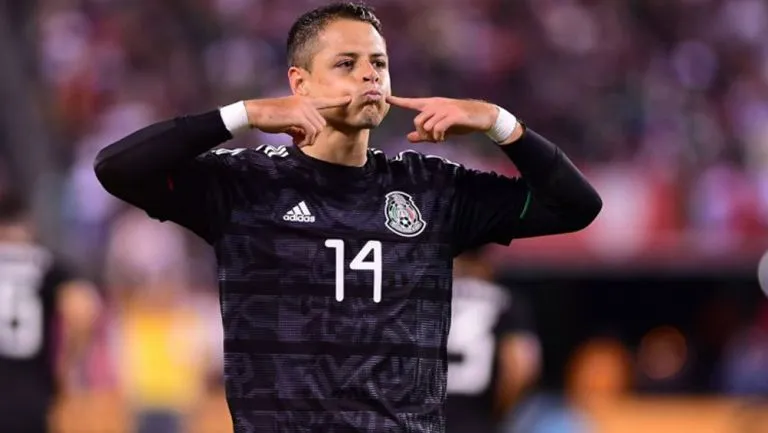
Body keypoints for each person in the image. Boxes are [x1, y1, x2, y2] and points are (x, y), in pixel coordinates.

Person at [93, 3, 602, 431]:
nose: (369, 75)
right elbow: (117, 169)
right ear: (301, 83)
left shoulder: (434, 188)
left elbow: (575, 206)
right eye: (347, 63)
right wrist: (241, 114)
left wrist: (499, 123)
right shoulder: (243, 183)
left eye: (378, 63)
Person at [0, 193, 100, 433]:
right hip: (30, 396)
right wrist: (67, 367)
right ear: (28, 224)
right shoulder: (47, 264)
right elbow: (84, 311)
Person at [445, 249, 541, 433]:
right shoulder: (507, 301)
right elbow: (520, 369)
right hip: (477, 420)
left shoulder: (430, 296)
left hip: (425, 419)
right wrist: (500, 412)